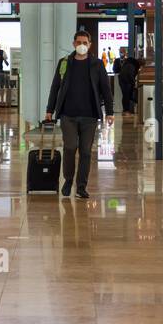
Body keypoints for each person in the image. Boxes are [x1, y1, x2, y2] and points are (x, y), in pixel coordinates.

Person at [44, 30, 115, 200]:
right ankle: (68, 180)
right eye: (79, 42)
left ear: (90, 45)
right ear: (73, 44)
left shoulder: (97, 64)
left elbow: (106, 89)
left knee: (85, 152)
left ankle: (81, 186)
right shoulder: (64, 63)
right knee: (69, 147)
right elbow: (55, 87)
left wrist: (110, 112)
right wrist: (49, 110)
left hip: (89, 116)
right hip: (68, 115)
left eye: (85, 43)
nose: (82, 45)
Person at [113, 48, 140, 114]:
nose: (122, 53)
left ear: (125, 52)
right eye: (121, 52)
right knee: (126, 95)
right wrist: (133, 82)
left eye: (123, 52)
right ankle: (126, 110)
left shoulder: (127, 61)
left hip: (123, 80)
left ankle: (127, 109)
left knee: (126, 95)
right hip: (124, 80)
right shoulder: (117, 61)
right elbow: (115, 69)